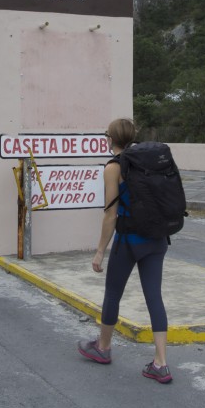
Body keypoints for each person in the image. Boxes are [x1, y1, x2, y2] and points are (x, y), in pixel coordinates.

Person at [77, 117, 172, 384]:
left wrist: (99, 252)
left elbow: (110, 215)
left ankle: (103, 347)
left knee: (113, 293)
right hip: (156, 238)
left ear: (110, 138)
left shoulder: (113, 168)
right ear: (132, 136)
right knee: (154, 297)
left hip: (129, 240)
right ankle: (161, 363)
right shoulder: (150, 162)